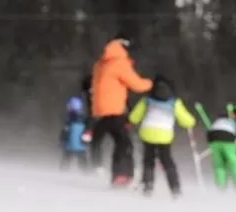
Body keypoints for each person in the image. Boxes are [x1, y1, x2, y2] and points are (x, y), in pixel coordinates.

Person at [90, 35, 153, 186]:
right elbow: (136, 84)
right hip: (115, 110)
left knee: (117, 141)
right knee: (124, 144)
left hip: (100, 110)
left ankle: (114, 173)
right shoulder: (119, 63)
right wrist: (152, 83)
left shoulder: (100, 63)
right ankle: (122, 175)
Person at [127, 76, 196, 197]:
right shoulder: (174, 102)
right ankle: (175, 187)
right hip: (164, 134)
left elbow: (134, 117)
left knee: (148, 160)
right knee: (167, 161)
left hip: (147, 132)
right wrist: (191, 122)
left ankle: (147, 185)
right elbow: (186, 120)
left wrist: (130, 120)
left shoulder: (147, 100)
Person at [206, 106, 236, 191]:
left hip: (213, 137)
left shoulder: (217, 121)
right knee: (234, 162)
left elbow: (209, 132)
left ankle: (221, 187)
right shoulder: (234, 121)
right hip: (227, 137)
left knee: (219, 164)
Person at [59, 92, 91, 172]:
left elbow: (65, 132)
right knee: (83, 160)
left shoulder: (68, 120)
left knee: (66, 159)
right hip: (81, 146)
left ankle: (63, 171)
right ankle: (86, 172)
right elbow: (87, 132)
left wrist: (62, 141)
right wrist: (87, 142)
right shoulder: (84, 120)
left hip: (69, 145)